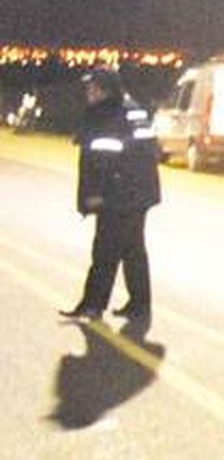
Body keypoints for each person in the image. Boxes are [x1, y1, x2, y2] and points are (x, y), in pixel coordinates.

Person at [59, 68, 161, 321]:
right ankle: (139, 303)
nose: (89, 93)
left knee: (105, 250)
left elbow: (101, 161)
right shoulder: (133, 109)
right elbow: (147, 152)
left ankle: (93, 304)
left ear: (105, 90)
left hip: (119, 196)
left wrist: (96, 195)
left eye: (93, 88)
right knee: (132, 249)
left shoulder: (107, 115)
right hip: (140, 193)